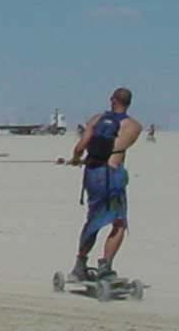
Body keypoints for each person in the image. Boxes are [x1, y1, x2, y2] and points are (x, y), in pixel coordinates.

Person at [66, 87, 142, 281]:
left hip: (93, 175)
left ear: (112, 100)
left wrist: (75, 158)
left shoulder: (96, 119)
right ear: (129, 103)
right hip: (113, 177)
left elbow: (80, 147)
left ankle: (80, 265)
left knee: (93, 220)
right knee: (118, 222)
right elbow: (119, 149)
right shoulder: (133, 126)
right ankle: (105, 266)